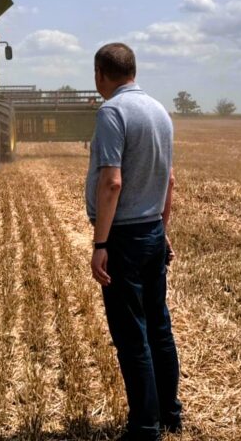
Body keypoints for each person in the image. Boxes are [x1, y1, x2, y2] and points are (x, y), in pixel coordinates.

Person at [87, 42, 182, 439]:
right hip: (152, 231)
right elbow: (169, 181)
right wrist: (162, 230)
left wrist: (100, 245)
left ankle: (144, 427)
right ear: (133, 71)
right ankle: (170, 414)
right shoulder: (159, 111)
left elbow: (112, 182)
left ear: (100, 74)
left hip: (123, 237)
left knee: (132, 336)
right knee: (158, 326)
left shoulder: (112, 112)